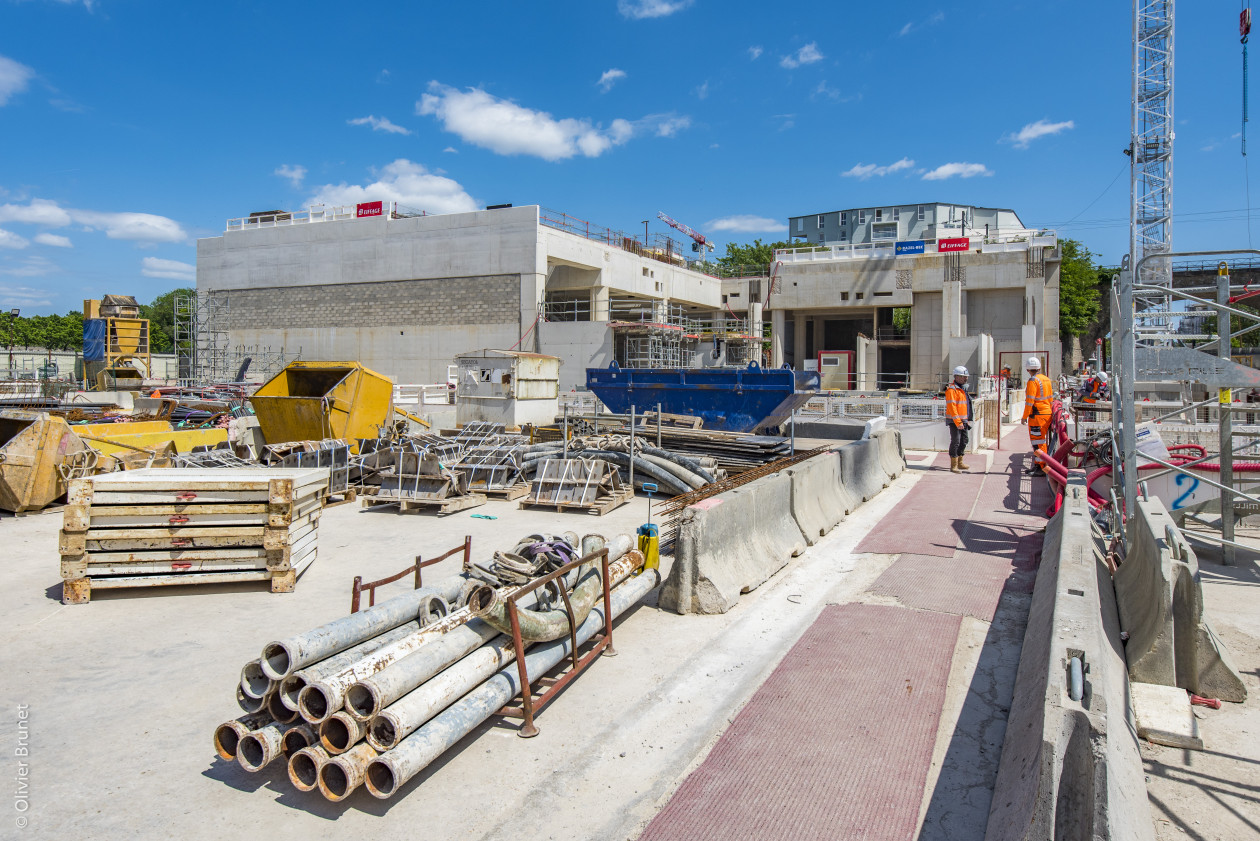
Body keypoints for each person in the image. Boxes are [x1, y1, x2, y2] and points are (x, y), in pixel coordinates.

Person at [1021, 356, 1054, 475]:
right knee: (1041, 441)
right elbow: (1050, 398)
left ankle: (1041, 468)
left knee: (1038, 442)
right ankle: (1039, 465)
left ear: (1027, 370)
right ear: (1039, 368)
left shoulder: (1032, 381)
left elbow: (1030, 401)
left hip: (1037, 416)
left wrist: (1024, 416)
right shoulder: (1046, 379)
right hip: (1047, 414)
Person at [944, 365, 973, 473]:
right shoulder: (952, 390)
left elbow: (966, 406)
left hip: (963, 420)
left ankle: (960, 462)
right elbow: (952, 407)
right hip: (955, 421)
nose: (966, 379)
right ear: (956, 377)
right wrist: (958, 422)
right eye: (963, 377)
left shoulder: (962, 390)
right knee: (956, 441)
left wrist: (967, 419)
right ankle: (954, 465)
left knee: (964, 441)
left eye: (966, 377)